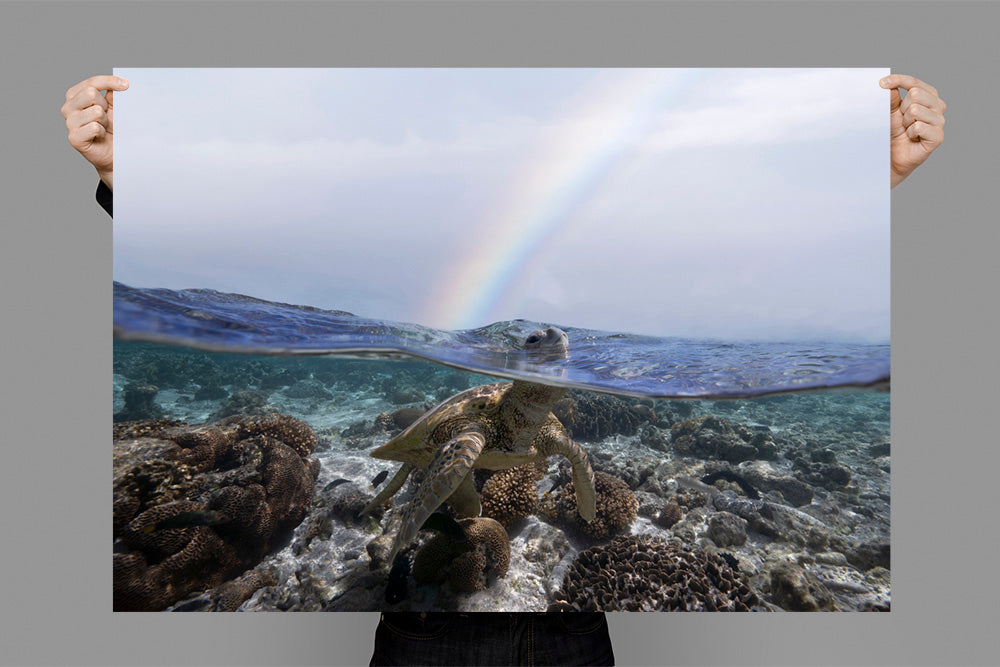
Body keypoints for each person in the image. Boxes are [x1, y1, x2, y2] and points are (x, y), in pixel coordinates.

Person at [66, 71, 945, 667]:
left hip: (564, 635)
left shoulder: (578, 392)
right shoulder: (486, 386)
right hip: (425, 613)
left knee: (558, 467)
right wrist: (130, 187)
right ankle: (391, 522)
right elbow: (453, 448)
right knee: (432, 485)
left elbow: (569, 460)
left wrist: (879, 191)